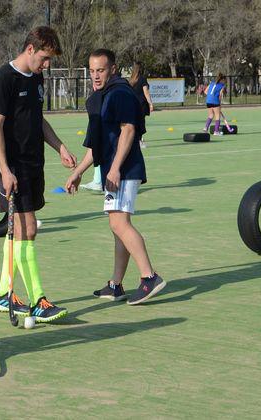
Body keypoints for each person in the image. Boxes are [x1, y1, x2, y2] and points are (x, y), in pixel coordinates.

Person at [0, 26, 77, 323]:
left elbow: (37, 120)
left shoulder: (37, 77)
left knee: (23, 230)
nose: (47, 65)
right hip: (13, 167)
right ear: (30, 49)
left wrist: (59, 147)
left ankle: (3, 292)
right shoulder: (4, 78)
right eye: (45, 58)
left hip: (34, 164)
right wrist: (4, 170)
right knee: (28, 229)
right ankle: (38, 299)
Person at [65, 48, 165, 305]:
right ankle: (116, 285)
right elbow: (96, 146)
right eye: (92, 71)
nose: (96, 76)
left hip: (124, 170)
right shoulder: (101, 97)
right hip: (115, 170)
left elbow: (129, 130)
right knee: (117, 227)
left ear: (112, 69)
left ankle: (149, 277)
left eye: (101, 70)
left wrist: (115, 168)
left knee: (119, 224)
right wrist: (77, 173)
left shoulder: (119, 93)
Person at [129, 62, 153, 148]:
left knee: (135, 123)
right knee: (141, 123)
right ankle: (139, 141)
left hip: (133, 104)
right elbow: (146, 92)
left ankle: (134, 140)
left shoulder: (131, 80)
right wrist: (150, 104)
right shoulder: (142, 79)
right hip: (141, 105)